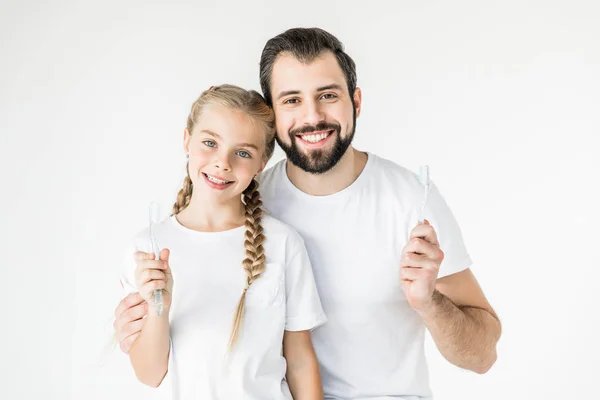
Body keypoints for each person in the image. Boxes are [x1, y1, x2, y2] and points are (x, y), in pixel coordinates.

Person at [114, 28, 501, 399]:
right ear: (273, 114)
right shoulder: (242, 199)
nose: (312, 116)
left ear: (357, 101)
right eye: (292, 99)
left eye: (328, 95)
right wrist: (142, 321)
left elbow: (483, 356)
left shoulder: (411, 201)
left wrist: (429, 301)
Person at [120, 84, 326, 399]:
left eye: (242, 152)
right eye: (210, 143)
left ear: (262, 163)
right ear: (187, 141)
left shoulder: (283, 243)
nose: (223, 163)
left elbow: (299, 360)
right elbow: (149, 374)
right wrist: (160, 307)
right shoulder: (148, 248)